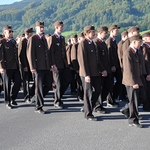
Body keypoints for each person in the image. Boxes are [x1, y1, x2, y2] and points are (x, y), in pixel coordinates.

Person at [27, 21, 52, 114]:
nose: (42, 29)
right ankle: (38, 106)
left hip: (45, 66)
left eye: (43, 27)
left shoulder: (44, 39)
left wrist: (50, 65)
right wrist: (32, 66)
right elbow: (30, 54)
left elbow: (47, 54)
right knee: (39, 87)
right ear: (36, 28)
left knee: (48, 84)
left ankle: (35, 98)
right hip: (38, 67)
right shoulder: (33, 39)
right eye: (40, 27)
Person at [78, 25, 101, 121]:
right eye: (92, 32)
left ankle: (87, 107)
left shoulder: (92, 43)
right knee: (88, 93)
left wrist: (102, 69)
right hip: (87, 73)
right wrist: (86, 74)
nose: (94, 33)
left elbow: (96, 59)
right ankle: (88, 114)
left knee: (98, 90)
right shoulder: (83, 43)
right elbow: (82, 60)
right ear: (87, 33)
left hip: (95, 72)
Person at [122, 35, 146, 128]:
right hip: (131, 81)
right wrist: (133, 83)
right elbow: (128, 70)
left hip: (138, 79)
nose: (140, 44)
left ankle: (126, 110)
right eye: (139, 42)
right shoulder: (128, 53)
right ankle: (133, 120)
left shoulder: (137, 51)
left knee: (142, 97)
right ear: (134, 42)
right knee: (134, 101)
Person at [47, 20, 72, 109]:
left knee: (67, 80)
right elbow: (50, 52)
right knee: (57, 83)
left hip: (63, 64)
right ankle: (57, 101)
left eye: (62, 27)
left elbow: (63, 52)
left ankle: (58, 96)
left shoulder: (61, 38)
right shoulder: (52, 38)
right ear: (56, 27)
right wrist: (52, 64)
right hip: (56, 64)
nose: (62, 28)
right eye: (60, 27)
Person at [0, 25, 21, 109]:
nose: (11, 33)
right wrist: (1, 67)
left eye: (12, 31)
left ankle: (12, 97)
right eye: (10, 31)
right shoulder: (2, 42)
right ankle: (7, 101)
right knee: (7, 84)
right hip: (7, 66)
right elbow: (1, 56)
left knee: (18, 82)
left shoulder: (13, 42)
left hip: (15, 66)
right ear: (5, 33)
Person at [93, 26, 111, 113]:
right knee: (99, 88)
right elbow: (97, 59)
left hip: (106, 69)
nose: (106, 34)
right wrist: (102, 69)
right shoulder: (96, 42)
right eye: (105, 33)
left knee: (108, 86)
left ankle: (99, 103)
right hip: (100, 70)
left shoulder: (103, 42)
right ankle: (97, 105)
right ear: (100, 33)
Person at [106, 24, 121, 107]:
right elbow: (109, 55)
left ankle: (113, 98)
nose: (117, 31)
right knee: (110, 83)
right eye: (116, 30)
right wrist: (112, 65)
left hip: (116, 65)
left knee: (119, 81)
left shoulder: (114, 40)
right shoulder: (109, 41)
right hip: (112, 66)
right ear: (111, 31)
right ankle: (110, 101)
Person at [18, 27, 35, 103]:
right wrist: (24, 66)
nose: (32, 34)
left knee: (34, 79)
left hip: (31, 64)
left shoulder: (31, 41)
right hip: (26, 65)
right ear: (28, 34)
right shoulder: (23, 42)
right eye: (31, 33)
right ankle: (26, 96)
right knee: (26, 81)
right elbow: (21, 55)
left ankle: (31, 93)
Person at [71, 33, 84, 101]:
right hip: (78, 68)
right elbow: (74, 58)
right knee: (79, 83)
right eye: (82, 38)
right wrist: (76, 69)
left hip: (84, 67)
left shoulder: (84, 45)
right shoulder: (75, 46)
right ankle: (80, 96)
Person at [141, 32, 150, 106]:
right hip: (147, 72)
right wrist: (148, 73)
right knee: (147, 90)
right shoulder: (145, 48)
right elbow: (146, 62)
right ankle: (146, 105)